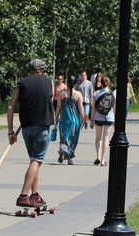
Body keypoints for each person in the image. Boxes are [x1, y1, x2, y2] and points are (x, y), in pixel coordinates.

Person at [7, 59, 54, 207]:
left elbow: (10, 107)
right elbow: (49, 100)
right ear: (43, 70)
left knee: (34, 160)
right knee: (36, 160)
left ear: (30, 71)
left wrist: (10, 132)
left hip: (26, 128)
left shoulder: (22, 84)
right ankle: (23, 195)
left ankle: (35, 195)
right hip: (42, 126)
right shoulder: (49, 82)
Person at [55, 76, 85, 165]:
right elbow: (80, 107)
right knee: (73, 138)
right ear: (76, 84)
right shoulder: (78, 94)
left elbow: (58, 106)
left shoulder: (61, 94)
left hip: (64, 119)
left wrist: (56, 116)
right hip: (74, 120)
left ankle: (63, 150)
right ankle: (69, 158)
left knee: (64, 137)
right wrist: (83, 119)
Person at [90, 76, 115, 166]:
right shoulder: (113, 94)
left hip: (98, 117)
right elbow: (114, 108)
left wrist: (92, 119)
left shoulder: (96, 93)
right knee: (106, 138)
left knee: (98, 137)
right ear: (109, 84)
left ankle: (98, 156)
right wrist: (115, 120)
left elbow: (93, 107)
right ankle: (103, 160)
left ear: (101, 83)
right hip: (109, 117)